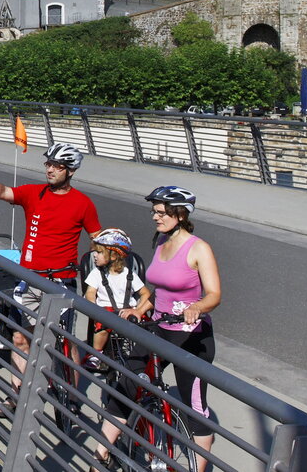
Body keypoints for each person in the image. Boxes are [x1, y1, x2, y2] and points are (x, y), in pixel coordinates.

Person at [0, 142, 100, 412]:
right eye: (47, 164)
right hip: (29, 278)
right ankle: (16, 396)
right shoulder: (34, 194)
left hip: (61, 280)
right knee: (20, 338)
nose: (49, 169)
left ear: (69, 171)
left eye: (56, 166)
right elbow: (4, 192)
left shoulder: (83, 204)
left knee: (64, 343)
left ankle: (71, 399)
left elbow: (97, 240)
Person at [144, 184, 222, 469]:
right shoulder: (161, 242)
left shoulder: (199, 248)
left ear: (180, 215)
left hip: (190, 336)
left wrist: (197, 307)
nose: (156, 217)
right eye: (154, 211)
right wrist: (140, 307)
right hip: (158, 328)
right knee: (130, 381)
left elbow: (214, 294)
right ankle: (101, 455)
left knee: (194, 408)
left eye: (162, 212)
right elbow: (160, 287)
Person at [86, 227, 151, 470]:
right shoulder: (96, 273)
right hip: (106, 313)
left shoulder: (130, 276)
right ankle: (96, 354)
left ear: (114, 255)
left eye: (99, 252)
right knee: (101, 326)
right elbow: (90, 294)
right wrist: (93, 307)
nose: (94, 256)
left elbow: (145, 294)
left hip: (127, 316)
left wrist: (141, 307)